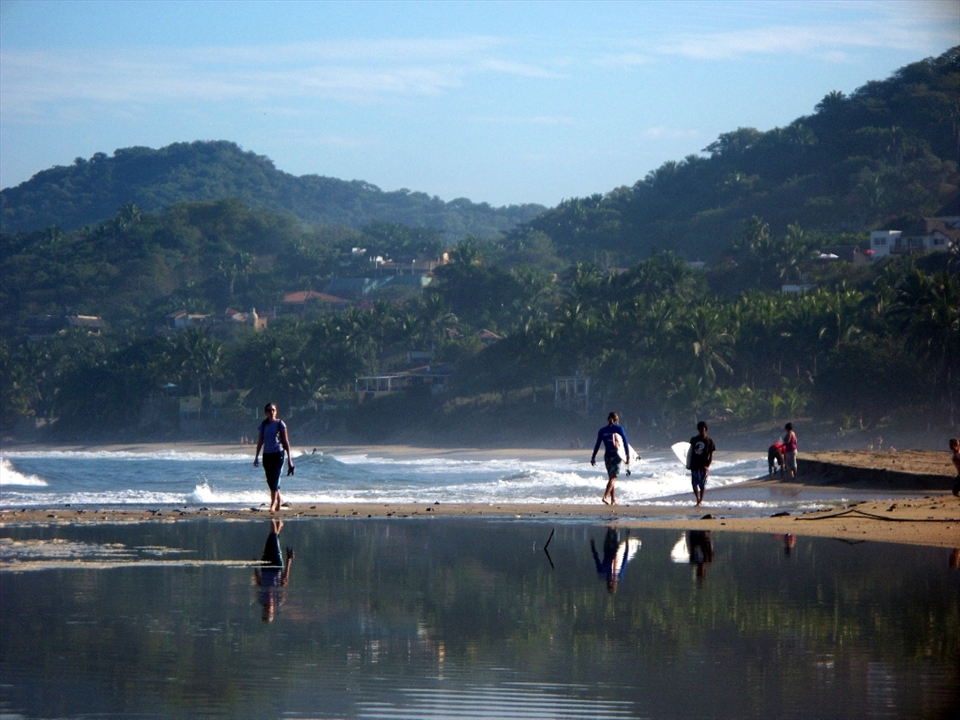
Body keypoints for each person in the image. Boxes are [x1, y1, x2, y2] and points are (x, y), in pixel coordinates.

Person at [254, 403, 295, 512]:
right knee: (270, 480)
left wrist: (290, 460)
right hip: (267, 454)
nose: (271, 412)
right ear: (266, 412)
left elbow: (286, 441)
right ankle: (279, 499)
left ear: (276, 411)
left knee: (275, 478)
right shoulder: (263, 425)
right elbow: (260, 442)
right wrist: (256, 456)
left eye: (273, 410)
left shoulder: (280, 424)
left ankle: (273, 504)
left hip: (278, 454)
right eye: (269, 410)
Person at [254, 519, 294, 622]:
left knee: (273, 538)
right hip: (277, 565)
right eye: (269, 613)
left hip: (265, 566)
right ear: (273, 612)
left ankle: (278, 523)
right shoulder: (279, 600)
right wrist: (289, 561)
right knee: (273, 536)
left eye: (266, 612)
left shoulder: (261, 599)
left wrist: (255, 566)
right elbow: (284, 580)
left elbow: (258, 581)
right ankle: (272, 516)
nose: (268, 610)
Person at [590, 411, 631, 505]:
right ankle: (605, 496)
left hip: (607, 456)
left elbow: (597, 444)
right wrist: (628, 456)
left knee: (611, 478)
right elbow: (625, 443)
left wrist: (593, 457)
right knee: (613, 478)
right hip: (616, 456)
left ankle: (613, 500)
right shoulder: (619, 429)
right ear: (617, 420)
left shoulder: (602, 430)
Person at [688, 421, 716, 507]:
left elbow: (711, 455)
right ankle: (697, 499)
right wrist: (688, 464)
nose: (701, 431)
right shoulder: (694, 440)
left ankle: (700, 501)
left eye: (703, 429)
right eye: (700, 429)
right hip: (694, 465)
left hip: (703, 466)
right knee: (694, 484)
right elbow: (689, 453)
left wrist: (708, 466)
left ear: (706, 429)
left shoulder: (709, 441)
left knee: (702, 485)